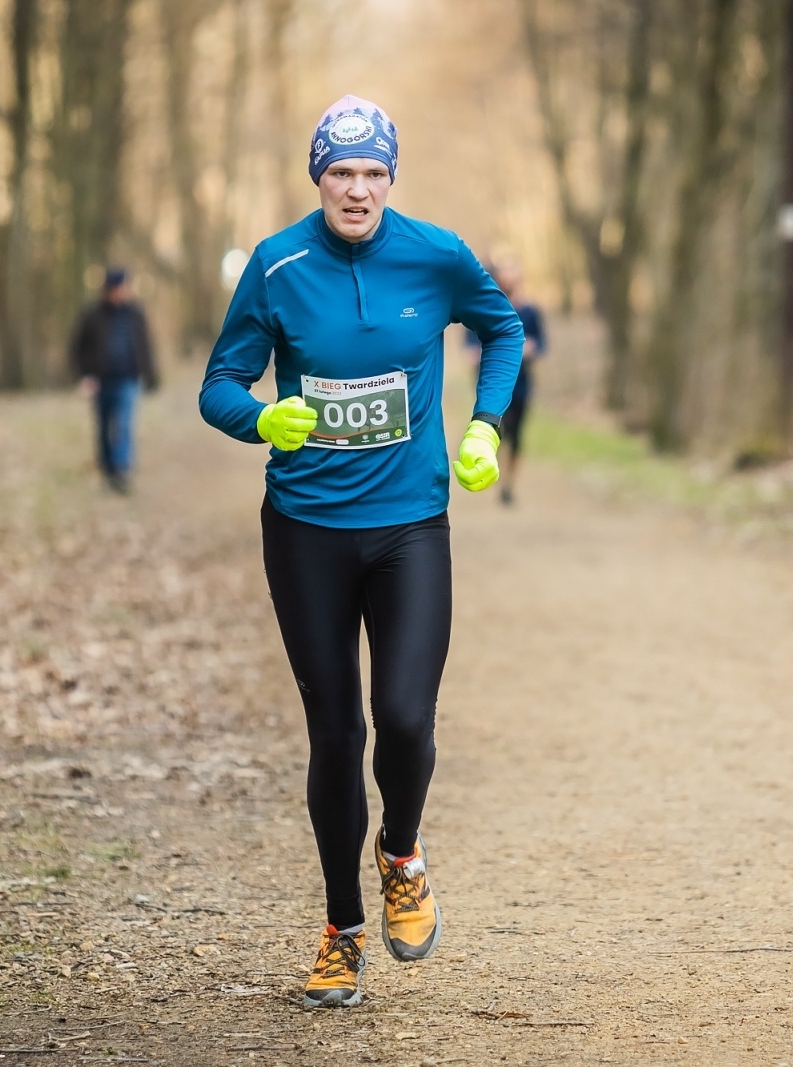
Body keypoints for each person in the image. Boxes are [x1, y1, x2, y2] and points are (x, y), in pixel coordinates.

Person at [198, 95, 523, 1008]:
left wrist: (486, 424)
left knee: (408, 718)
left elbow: (504, 328)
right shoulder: (277, 264)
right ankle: (341, 926)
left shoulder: (437, 254)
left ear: (391, 177)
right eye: (341, 172)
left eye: (373, 172)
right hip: (305, 533)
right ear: (318, 178)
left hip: (411, 526)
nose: (358, 189)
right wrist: (263, 416)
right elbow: (217, 384)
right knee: (337, 732)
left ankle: (403, 854)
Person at [70, 267, 159, 494]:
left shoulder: (135, 314)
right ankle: (108, 468)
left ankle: (121, 471)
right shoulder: (92, 315)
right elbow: (77, 348)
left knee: (124, 425)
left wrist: (151, 376)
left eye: (123, 289)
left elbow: (145, 347)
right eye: (116, 289)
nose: (120, 293)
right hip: (100, 381)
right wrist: (84, 376)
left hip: (128, 379)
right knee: (103, 427)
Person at [465, 258, 545, 505]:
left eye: (514, 275)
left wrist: (532, 347)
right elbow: (469, 342)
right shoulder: (486, 308)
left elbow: (542, 343)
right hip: (492, 383)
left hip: (522, 382)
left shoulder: (530, 311)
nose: (510, 281)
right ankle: (489, 473)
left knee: (517, 436)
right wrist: (475, 353)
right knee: (496, 432)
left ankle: (508, 486)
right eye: (505, 276)